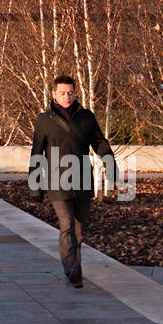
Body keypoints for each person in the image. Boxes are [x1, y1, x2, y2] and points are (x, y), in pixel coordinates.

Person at [28, 75, 118, 288]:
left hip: (82, 179)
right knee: (67, 224)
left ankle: (74, 264)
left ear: (75, 93)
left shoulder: (86, 117)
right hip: (57, 182)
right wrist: (35, 186)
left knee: (79, 229)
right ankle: (73, 269)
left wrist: (110, 163)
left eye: (70, 92)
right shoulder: (45, 120)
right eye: (62, 93)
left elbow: (99, 143)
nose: (66, 96)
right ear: (54, 94)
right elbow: (37, 153)